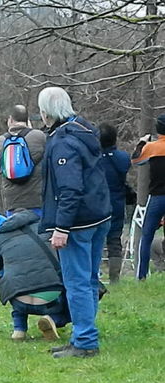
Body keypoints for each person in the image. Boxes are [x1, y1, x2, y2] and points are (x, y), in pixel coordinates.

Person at [38, 86, 111, 358]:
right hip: (99, 215)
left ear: (47, 113)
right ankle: (84, 333)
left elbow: (69, 189)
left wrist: (61, 227)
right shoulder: (84, 129)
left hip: (78, 223)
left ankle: (85, 341)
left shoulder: (62, 142)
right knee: (90, 279)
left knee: (77, 282)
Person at [0, 210, 71, 341]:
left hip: (19, 300)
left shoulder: (0, 238)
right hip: (51, 300)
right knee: (75, 301)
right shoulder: (48, 230)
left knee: (16, 284)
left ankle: (19, 329)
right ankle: (53, 320)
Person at [0, 104, 46, 215]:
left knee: (15, 231)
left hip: (12, 204)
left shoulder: (0, 141)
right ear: (28, 120)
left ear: (10, 120)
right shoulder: (40, 137)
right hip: (37, 201)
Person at [132, 115, 165, 280]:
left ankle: (141, 275)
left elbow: (136, 160)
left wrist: (142, 142)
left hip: (157, 196)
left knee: (147, 235)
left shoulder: (152, 147)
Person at [98, 123, 131, 283]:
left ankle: (95, 274)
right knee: (114, 240)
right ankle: (114, 277)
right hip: (117, 203)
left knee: (95, 239)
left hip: (97, 204)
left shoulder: (93, 159)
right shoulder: (123, 158)